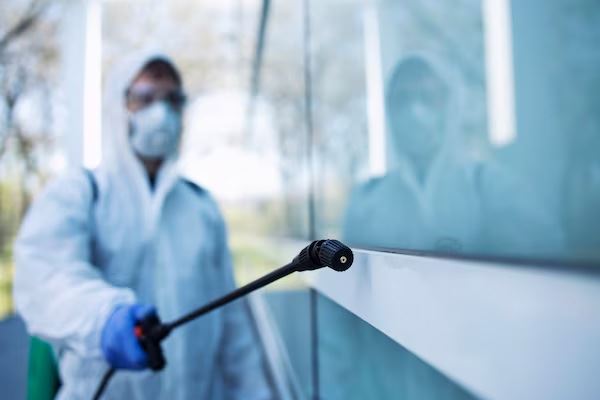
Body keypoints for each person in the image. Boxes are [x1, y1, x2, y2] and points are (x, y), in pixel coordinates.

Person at [13, 52, 272, 399]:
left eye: (172, 99)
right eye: (145, 97)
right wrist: (104, 318)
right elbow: (45, 278)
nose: (161, 112)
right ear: (117, 107)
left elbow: (232, 324)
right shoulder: (80, 193)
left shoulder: (201, 207)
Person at [342, 54, 563, 257]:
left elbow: (546, 258)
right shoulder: (366, 203)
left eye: (427, 97)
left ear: (448, 106)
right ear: (389, 111)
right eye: (403, 99)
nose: (415, 111)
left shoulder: (489, 186)